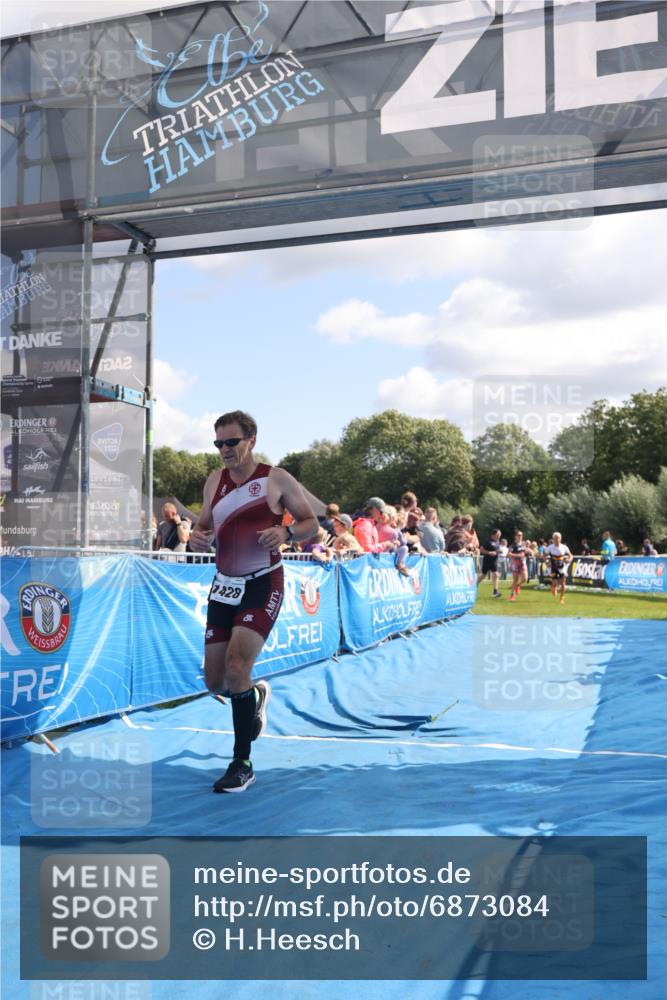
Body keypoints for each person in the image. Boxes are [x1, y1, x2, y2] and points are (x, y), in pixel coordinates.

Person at [188, 410, 318, 794]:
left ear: (252, 440)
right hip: (224, 585)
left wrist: (286, 533)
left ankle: (241, 763)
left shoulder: (275, 479)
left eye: (232, 442)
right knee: (216, 681)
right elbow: (204, 525)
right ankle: (255, 695)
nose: (224, 450)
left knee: (237, 665)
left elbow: (311, 522)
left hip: (263, 582)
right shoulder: (215, 481)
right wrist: (198, 536)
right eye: (219, 443)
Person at [546, 531, 572, 604]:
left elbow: (570, 555)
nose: (556, 540)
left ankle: (562, 597)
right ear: (553, 539)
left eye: (558, 538)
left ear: (560, 539)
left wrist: (569, 559)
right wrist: (546, 562)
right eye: (555, 538)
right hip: (553, 567)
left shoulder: (564, 547)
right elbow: (544, 555)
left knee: (563, 582)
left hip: (562, 567)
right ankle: (554, 587)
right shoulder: (550, 547)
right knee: (555, 583)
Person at [478, 528, 502, 598]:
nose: (499, 535)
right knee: (483, 575)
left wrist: (498, 552)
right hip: (487, 560)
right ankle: (474, 586)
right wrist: (489, 552)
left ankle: (495, 591)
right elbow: (481, 550)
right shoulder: (488, 541)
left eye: (500, 534)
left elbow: (497, 550)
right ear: (493, 534)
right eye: (498, 534)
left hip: (494, 561)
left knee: (496, 575)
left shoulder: (497, 541)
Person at [508, 530, 528, 602]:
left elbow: (525, 551)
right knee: (515, 580)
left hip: (522, 563)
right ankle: (512, 595)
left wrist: (530, 552)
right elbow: (508, 554)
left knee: (525, 578)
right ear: (515, 536)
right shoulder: (513, 545)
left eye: (521, 535)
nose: (520, 536)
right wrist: (517, 555)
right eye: (519, 535)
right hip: (515, 564)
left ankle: (518, 585)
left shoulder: (523, 544)